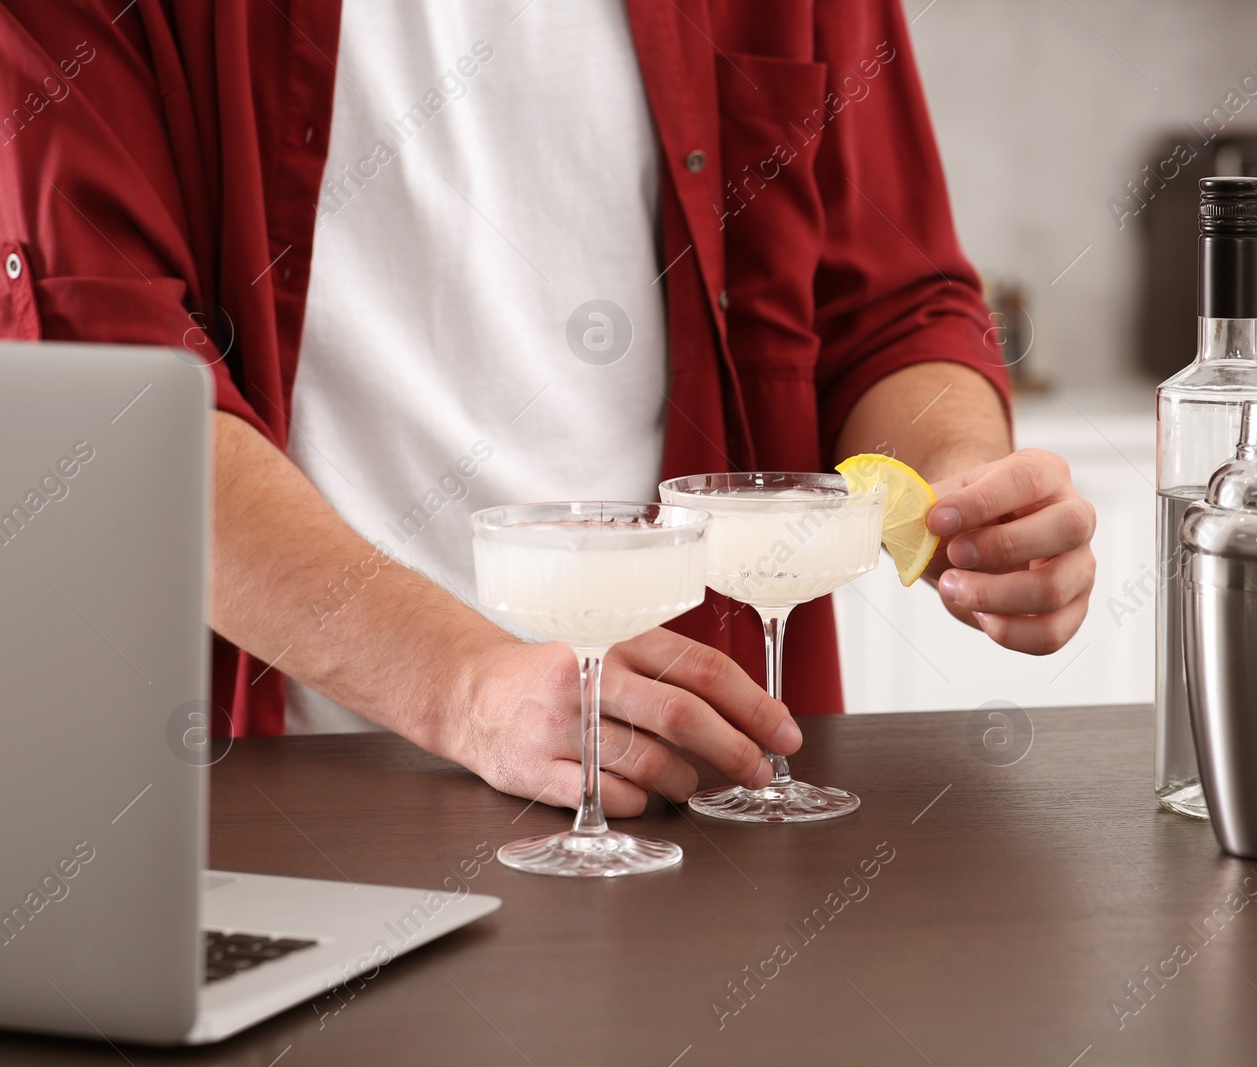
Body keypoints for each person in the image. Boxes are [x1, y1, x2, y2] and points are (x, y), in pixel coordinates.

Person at [0, 0, 1095, 814]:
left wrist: (958, 486)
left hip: (687, 782)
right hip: (283, 791)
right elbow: (117, 393)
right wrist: (466, 685)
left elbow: (891, 305)